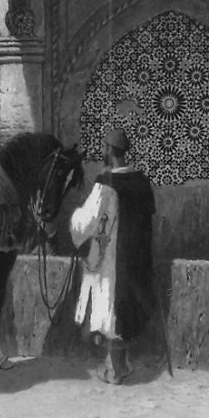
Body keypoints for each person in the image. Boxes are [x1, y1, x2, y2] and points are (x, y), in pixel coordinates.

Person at [70, 127, 156, 384]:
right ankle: (121, 364)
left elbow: (85, 223)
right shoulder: (142, 182)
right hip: (137, 258)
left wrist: (74, 219)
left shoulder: (106, 184)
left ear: (108, 150)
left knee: (111, 311)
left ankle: (114, 370)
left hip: (112, 260)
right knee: (124, 312)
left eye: (105, 148)